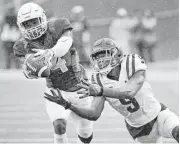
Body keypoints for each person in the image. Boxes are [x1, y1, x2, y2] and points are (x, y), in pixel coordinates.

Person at [45, 38, 179, 143]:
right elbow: (94, 114)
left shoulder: (131, 62)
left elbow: (129, 92)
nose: (100, 59)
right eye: (97, 56)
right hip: (139, 130)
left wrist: (101, 91)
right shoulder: (97, 79)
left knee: (177, 131)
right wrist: (68, 105)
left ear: (116, 54)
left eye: (104, 54)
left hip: (159, 115)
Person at [13, 3, 93, 144]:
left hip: (79, 86)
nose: (32, 27)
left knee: (85, 134)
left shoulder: (58, 25)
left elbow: (65, 43)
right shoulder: (22, 45)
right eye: (27, 24)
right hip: (55, 89)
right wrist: (31, 72)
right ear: (21, 26)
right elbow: (26, 68)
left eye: (34, 22)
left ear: (42, 18)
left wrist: (51, 52)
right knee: (59, 125)